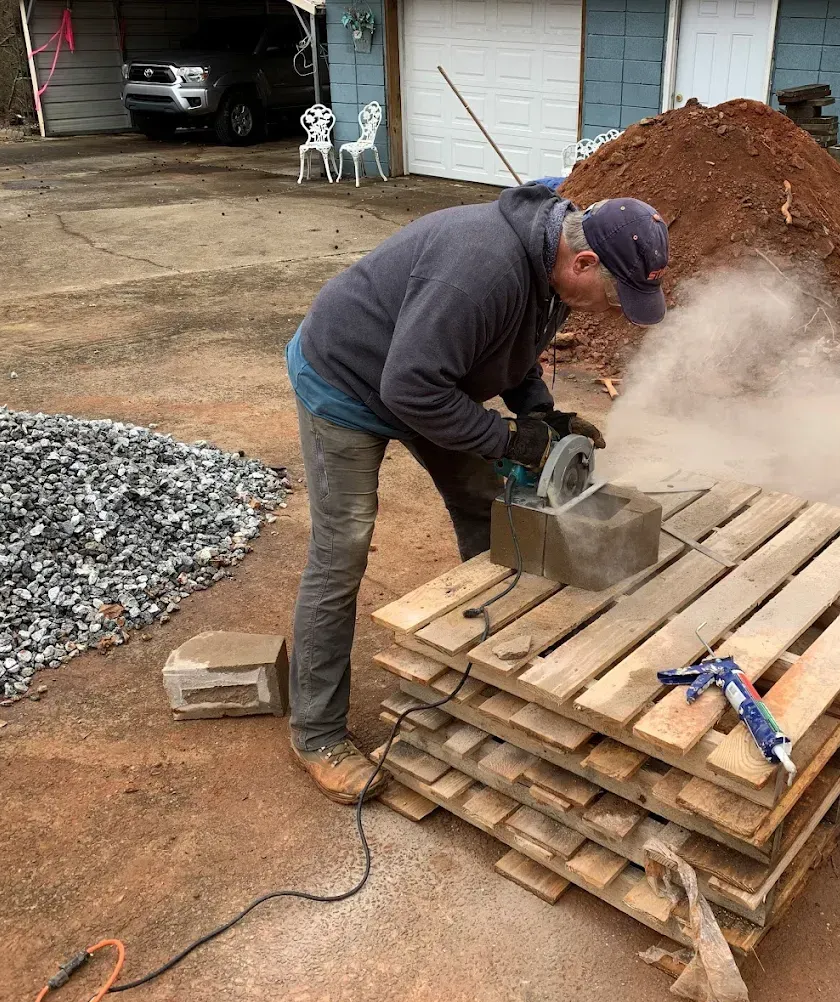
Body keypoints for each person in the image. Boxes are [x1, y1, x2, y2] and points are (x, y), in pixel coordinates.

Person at [285, 183, 670, 804]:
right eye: (615, 296)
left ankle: (488, 667)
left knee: (489, 507)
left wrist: (541, 418)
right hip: (349, 382)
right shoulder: (480, 270)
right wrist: (507, 440)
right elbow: (409, 388)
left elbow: (516, 350)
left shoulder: (556, 269)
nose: (613, 310)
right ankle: (317, 733)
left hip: (424, 376)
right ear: (585, 263)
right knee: (342, 551)